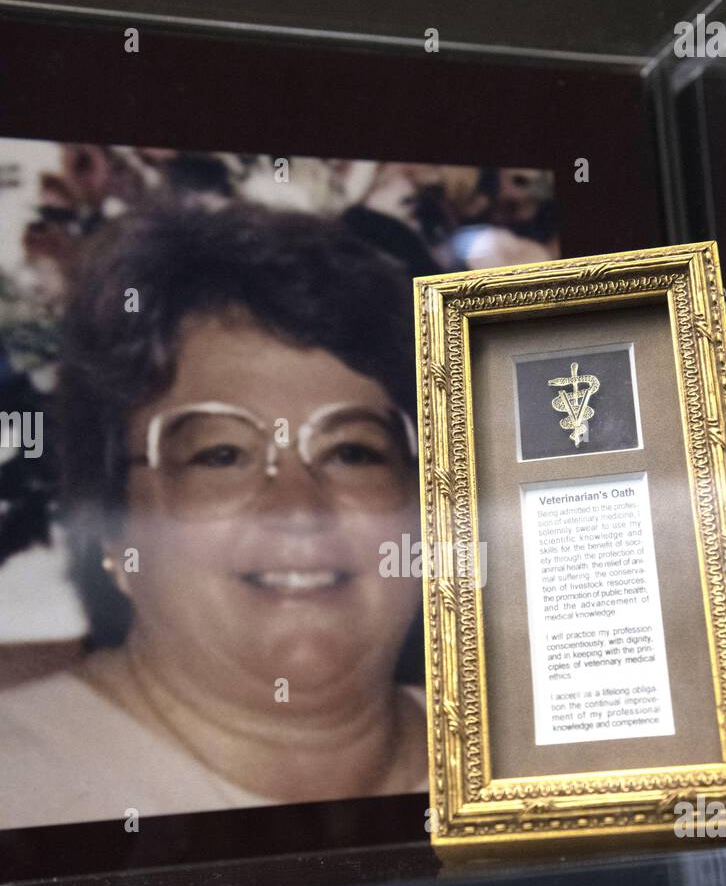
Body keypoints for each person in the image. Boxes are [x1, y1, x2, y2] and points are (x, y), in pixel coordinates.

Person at [0, 201, 427, 828]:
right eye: (222, 455)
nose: (299, 510)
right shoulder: (23, 795)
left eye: (351, 451)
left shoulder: (536, 766)